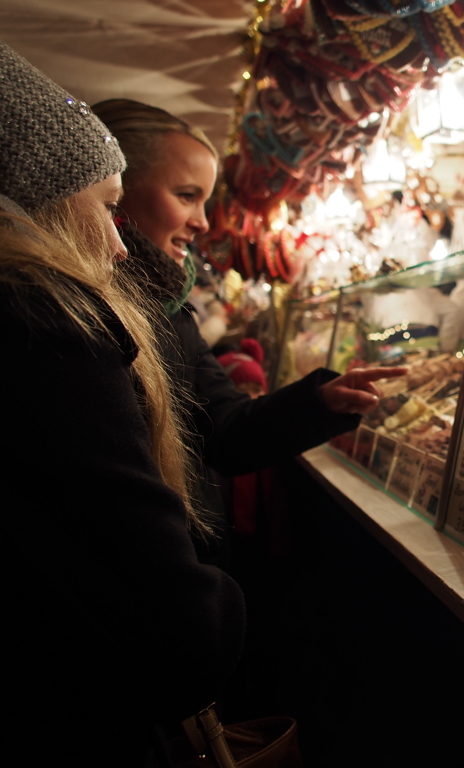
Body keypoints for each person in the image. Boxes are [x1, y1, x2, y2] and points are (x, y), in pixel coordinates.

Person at [0, 43, 245, 766]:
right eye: (106, 205)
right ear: (30, 198)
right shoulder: (49, 323)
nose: (113, 245)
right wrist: (225, 607)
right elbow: (174, 638)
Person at [92, 99, 405, 531]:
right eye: (186, 196)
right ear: (113, 191)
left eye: (205, 201)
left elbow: (223, 430)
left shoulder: (172, 310)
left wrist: (320, 402)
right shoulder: (79, 316)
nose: (202, 223)